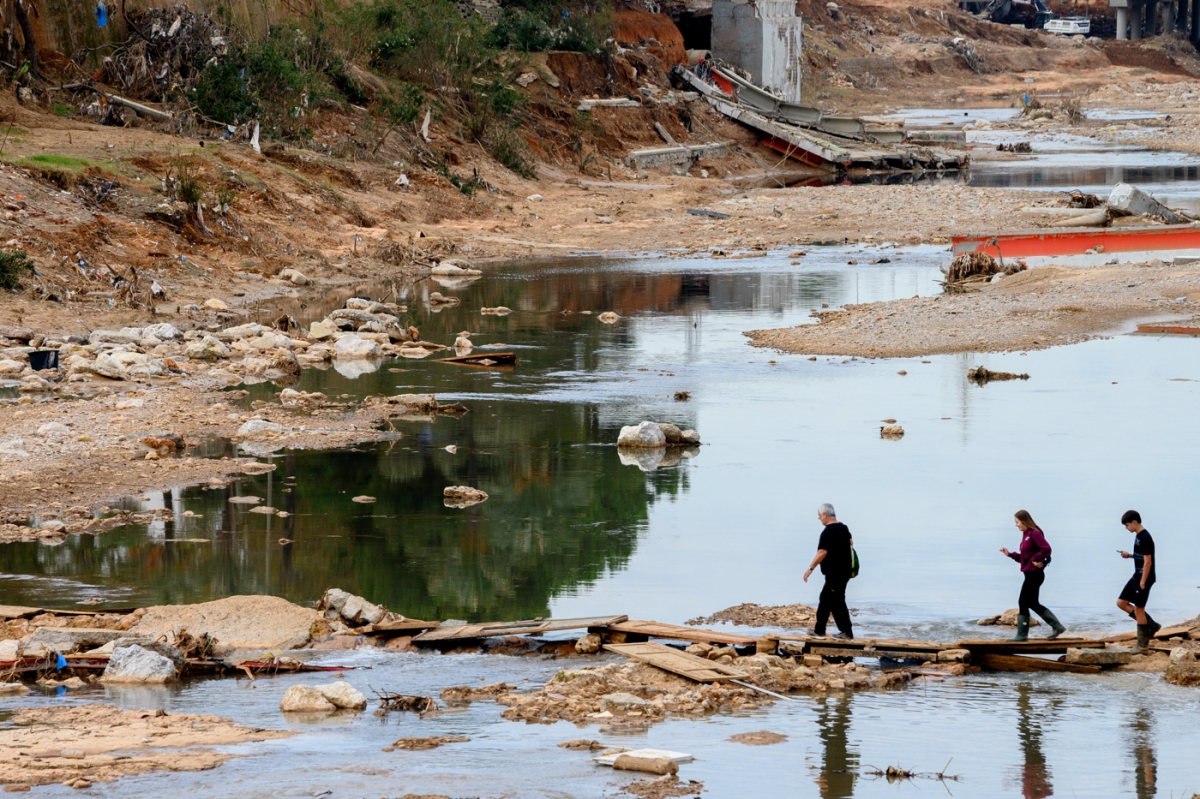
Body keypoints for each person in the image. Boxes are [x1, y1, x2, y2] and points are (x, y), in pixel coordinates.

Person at [1000, 510, 1066, 642]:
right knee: (1031, 602)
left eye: (1017, 522)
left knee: (1024, 602)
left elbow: (1046, 549)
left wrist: (1036, 559)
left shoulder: (1034, 533)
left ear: (1024, 521)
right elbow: (1025, 558)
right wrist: (1010, 555)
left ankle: (1022, 635)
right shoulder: (1026, 535)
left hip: (1035, 574)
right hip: (1029, 574)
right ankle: (1056, 626)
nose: (1016, 525)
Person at [804, 503, 854, 640]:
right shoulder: (843, 528)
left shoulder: (828, 532)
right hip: (845, 572)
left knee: (833, 601)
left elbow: (822, 552)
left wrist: (810, 569)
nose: (819, 518)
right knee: (830, 600)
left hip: (835, 573)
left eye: (819, 515)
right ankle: (824, 631)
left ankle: (844, 632)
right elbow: (851, 542)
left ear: (825, 515)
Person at [1116, 509, 1160, 650]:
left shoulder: (1145, 537)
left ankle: (1142, 646)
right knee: (1121, 602)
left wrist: (1143, 581)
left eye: (1127, 525)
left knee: (1139, 608)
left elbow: (1148, 562)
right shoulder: (1139, 535)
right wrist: (1129, 555)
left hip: (1144, 576)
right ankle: (1151, 625)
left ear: (1134, 522)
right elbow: (1142, 556)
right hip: (1138, 575)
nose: (1126, 528)